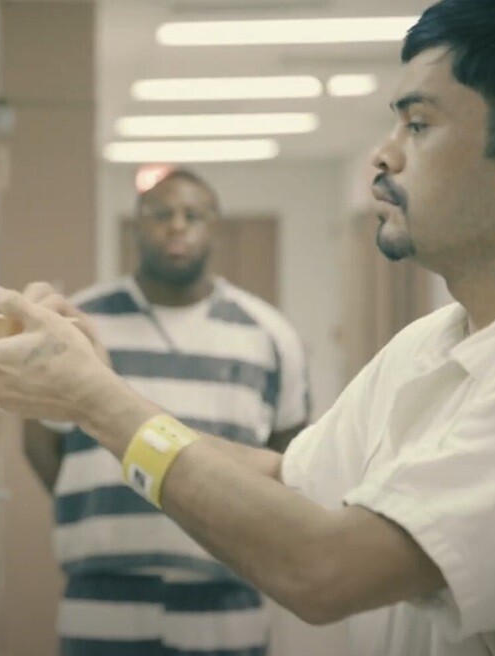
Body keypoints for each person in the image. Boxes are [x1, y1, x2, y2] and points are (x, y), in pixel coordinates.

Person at [0, 1, 495, 653]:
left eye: (419, 125)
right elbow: (286, 479)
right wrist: (91, 398)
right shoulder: (424, 347)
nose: (383, 155)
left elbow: (325, 568)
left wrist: (97, 399)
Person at [23, 167, 309, 656]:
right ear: (135, 227)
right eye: (161, 214)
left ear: (214, 228)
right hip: (101, 595)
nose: (177, 226)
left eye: (193, 215)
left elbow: (290, 454)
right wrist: (102, 500)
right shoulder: (80, 322)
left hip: (227, 597)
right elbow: (42, 442)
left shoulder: (269, 333)